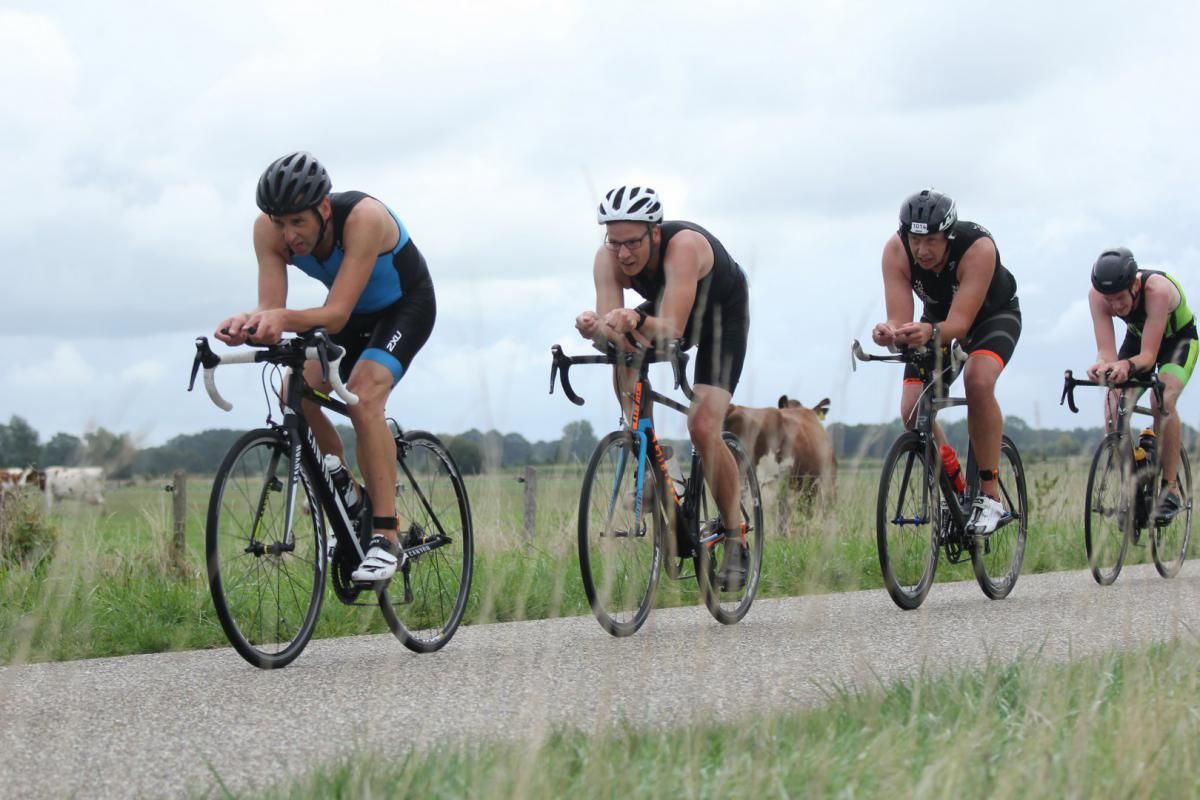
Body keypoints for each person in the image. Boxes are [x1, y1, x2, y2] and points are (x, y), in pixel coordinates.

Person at [216, 151, 436, 581]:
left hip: (404, 308)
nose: (289, 235)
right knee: (293, 393)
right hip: (351, 316)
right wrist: (249, 324)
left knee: (363, 396)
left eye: (298, 222)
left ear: (323, 208)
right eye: (280, 223)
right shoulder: (267, 231)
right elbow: (271, 308)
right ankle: (348, 494)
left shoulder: (364, 218)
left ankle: (386, 536)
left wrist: (279, 318)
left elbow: (334, 315)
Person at [574, 185, 752, 589]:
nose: (623, 254)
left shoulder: (683, 246)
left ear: (654, 233)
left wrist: (635, 319)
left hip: (721, 319)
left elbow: (671, 330)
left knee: (703, 427)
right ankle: (650, 456)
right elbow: (614, 336)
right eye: (614, 242)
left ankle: (735, 537)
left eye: (632, 243)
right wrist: (595, 329)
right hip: (668, 310)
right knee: (623, 357)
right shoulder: (607, 258)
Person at [871, 189, 1021, 535]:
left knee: (978, 380)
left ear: (949, 235)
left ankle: (990, 496)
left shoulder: (978, 248)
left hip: (991, 318)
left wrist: (927, 331)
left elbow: (960, 326)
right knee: (912, 411)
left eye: (932, 241)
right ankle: (954, 481)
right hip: (935, 322)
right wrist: (890, 332)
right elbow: (899, 317)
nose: (922, 250)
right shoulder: (896, 250)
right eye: (915, 240)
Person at [1087, 246, 1195, 521]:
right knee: (1113, 406)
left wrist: (1126, 365)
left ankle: (1170, 489)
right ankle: (1132, 488)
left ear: (1134, 285)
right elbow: (1107, 352)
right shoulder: (1097, 296)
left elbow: (1148, 357)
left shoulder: (1156, 290)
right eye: (1109, 300)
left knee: (1162, 400)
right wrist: (1102, 366)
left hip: (1177, 342)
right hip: (1138, 340)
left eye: (1120, 298)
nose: (1115, 306)